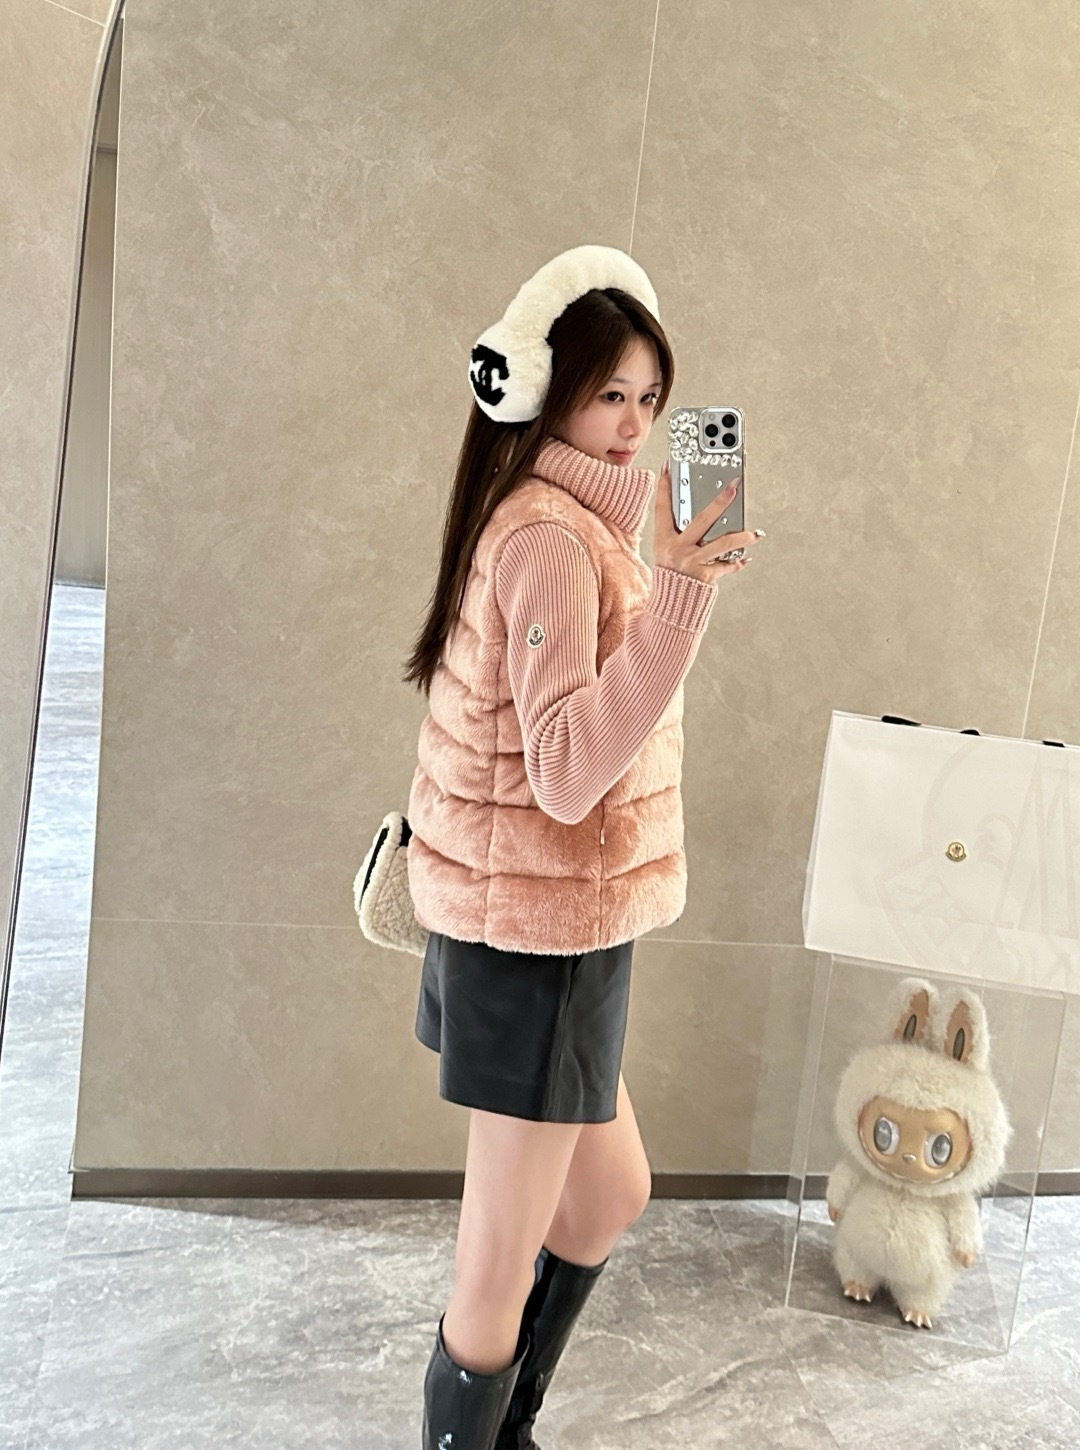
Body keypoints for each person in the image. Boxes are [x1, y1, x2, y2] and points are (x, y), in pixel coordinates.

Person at [399, 245, 766, 1449]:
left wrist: (670, 583)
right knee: (493, 1277)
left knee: (609, 1194)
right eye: (610, 394)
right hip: (536, 939)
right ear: (548, 391)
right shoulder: (553, 538)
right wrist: (682, 598)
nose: (634, 425)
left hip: (558, 926)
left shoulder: (572, 522)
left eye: (650, 398)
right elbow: (565, 774)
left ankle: (508, 1426)